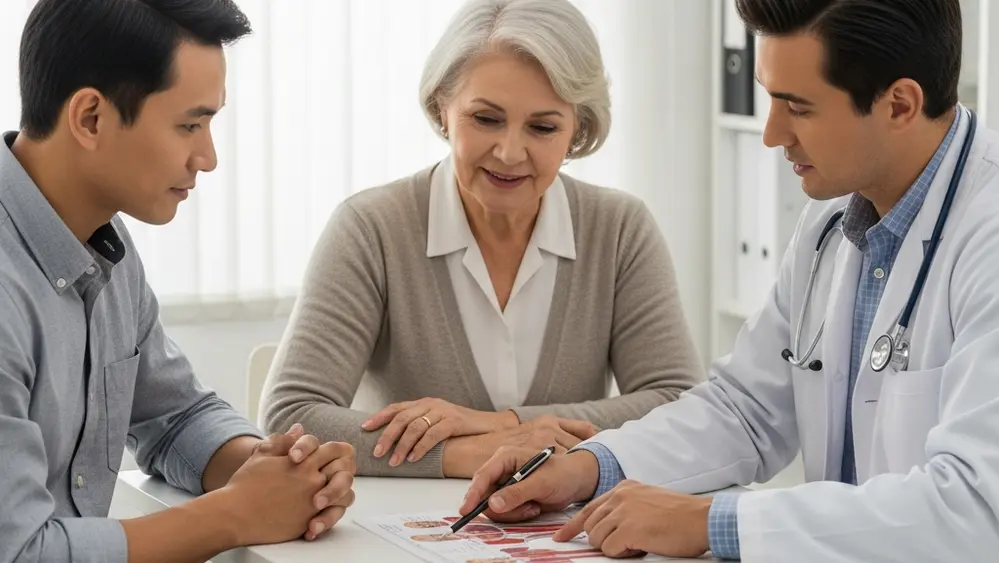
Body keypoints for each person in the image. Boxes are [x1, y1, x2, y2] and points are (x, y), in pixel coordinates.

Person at [459, 1, 999, 561]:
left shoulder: (986, 237)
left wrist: (715, 522)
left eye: (798, 107)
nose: (771, 134)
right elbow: (746, 410)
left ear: (900, 105)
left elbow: (975, 510)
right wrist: (587, 469)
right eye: (770, 98)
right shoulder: (833, 216)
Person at [259, 0, 704, 479]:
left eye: (543, 127)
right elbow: (292, 414)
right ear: (442, 109)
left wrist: (503, 424)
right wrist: (470, 454)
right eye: (486, 119)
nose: (510, 152)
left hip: (560, 536)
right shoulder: (371, 228)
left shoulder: (619, 229)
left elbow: (678, 403)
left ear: (578, 130)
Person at [0, 1, 356, 562]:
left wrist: (279, 472)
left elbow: (175, 414)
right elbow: (19, 552)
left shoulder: (101, 240)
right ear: (90, 118)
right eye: (189, 125)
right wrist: (238, 513)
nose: (208, 158)